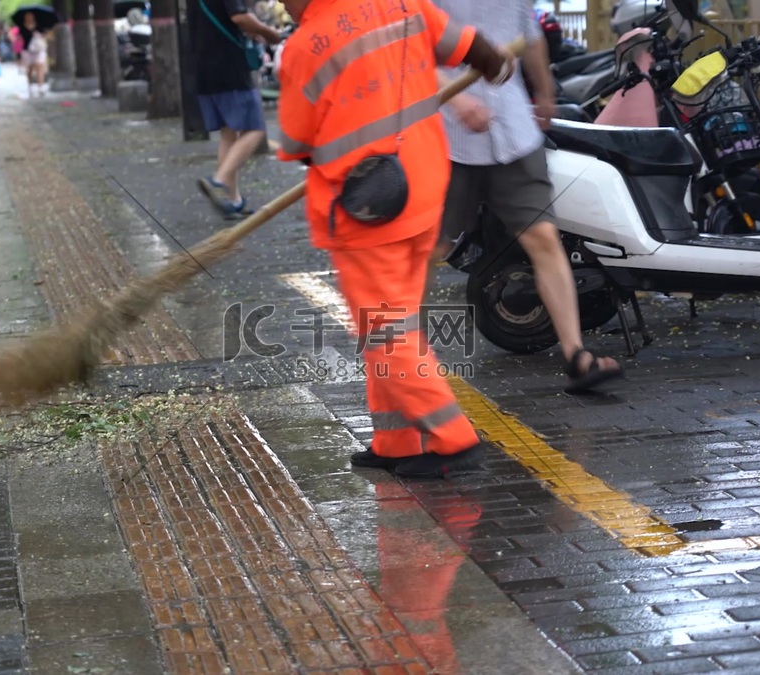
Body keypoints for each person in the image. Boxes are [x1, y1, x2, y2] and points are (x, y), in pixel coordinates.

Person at [274, 0, 516, 478]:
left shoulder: (304, 47)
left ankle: (454, 439)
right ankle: (396, 441)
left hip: (370, 207)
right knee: (393, 325)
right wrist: (493, 61)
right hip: (424, 185)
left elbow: (294, 140)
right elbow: (468, 46)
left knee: (386, 333)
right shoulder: (400, 2)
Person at [429, 0, 625, 393]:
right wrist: (455, 98)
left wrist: (545, 91)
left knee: (542, 236)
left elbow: (529, 33)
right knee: (429, 250)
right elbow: (408, 52)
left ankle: (576, 356)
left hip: (513, 128)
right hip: (446, 134)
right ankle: (404, 363)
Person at [189, 0, 283, 220]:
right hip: (230, 69)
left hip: (204, 72)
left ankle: (233, 201)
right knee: (255, 129)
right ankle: (219, 181)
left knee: (228, 135)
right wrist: (270, 34)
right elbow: (239, 16)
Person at [20, 12, 50, 98]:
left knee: (40, 67)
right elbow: (21, 37)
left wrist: (39, 35)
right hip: (27, 50)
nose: (29, 17)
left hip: (39, 49)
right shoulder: (22, 26)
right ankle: (30, 85)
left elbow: (45, 34)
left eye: (31, 16)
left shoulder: (39, 25)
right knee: (29, 69)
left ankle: (40, 87)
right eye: (27, 16)